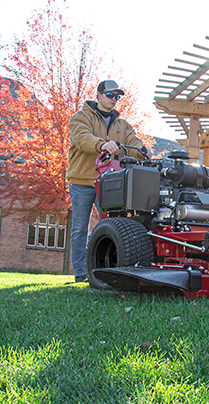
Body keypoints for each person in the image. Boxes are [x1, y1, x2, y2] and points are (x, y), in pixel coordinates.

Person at [66, 79, 145, 282]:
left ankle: (106, 272)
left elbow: (133, 141)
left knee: (110, 227)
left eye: (117, 97)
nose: (114, 99)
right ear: (99, 95)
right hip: (83, 180)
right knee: (79, 228)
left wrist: (142, 151)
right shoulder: (81, 117)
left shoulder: (122, 125)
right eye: (110, 95)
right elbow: (82, 139)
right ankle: (80, 274)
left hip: (110, 183)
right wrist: (102, 144)